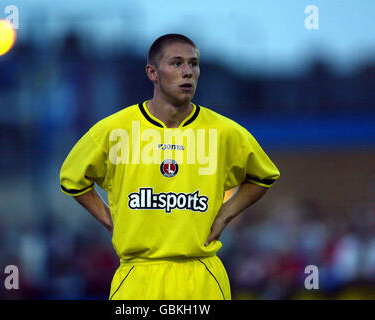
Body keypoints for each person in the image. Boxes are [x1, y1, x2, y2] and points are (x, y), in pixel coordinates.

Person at [60, 34, 280, 300]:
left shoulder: (224, 132)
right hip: (137, 275)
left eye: (193, 64)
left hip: (201, 275)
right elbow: (72, 178)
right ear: (153, 72)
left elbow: (263, 176)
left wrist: (225, 214)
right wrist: (109, 220)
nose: (188, 72)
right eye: (177, 63)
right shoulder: (115, 130)